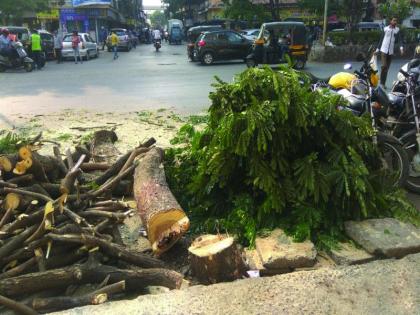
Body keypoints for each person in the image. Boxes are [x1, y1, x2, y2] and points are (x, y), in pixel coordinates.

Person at [376, 17, 403, 88]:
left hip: (390, 52)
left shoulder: (397, 30)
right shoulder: (385, 29)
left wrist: (401, 48)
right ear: (390, 21)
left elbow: (400, 40)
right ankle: (381, 83)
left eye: (396, 21)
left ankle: (383, 83)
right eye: (394, 20)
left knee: (386, 69)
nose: (395, 22)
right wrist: (377, 50)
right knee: (384, 66)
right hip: (383, 50)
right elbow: (381, 40)